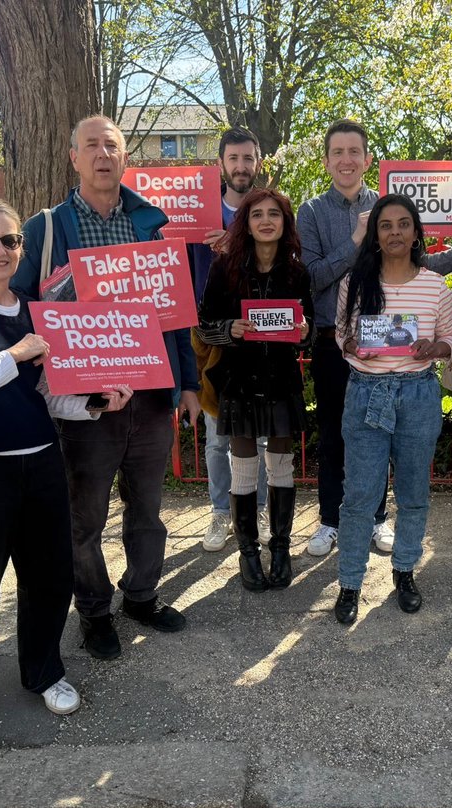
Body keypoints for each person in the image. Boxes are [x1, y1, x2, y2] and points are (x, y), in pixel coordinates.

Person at [0, 196, 131, 751]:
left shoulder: (36, 309)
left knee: (47, 580)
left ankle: (44, 671)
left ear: (22, 247)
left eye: (11, 240)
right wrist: (14, 354)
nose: (0, 250)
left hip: (40, 464)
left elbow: (47, 397)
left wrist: (93, 403)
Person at [11, 114, 200, 661]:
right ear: (73, 157)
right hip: (84, 401)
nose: (101, 154)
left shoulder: (152, 227)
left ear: (123, 158)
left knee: (148, 508)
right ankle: (93, 610)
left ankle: (141, 595)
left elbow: (174, 316)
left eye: (111, 146)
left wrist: (187, 382)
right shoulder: (43, 230)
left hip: (150, 394)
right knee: (84, 514)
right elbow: (19, 310)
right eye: (91, 145)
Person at [297, 119, 452, 559]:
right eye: (338, 152)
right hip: (334, 340)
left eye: (354, 151)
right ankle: (330, 521)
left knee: (384, 439)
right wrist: (356, 240)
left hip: (397, 351)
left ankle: (376, 520)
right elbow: (312, 278)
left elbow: (420, 263)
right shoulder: (312, 212)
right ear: (327, 161)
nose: (346, 160)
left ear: (367, 159)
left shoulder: (386, 206)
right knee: (337, 435)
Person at [332, 194, 452, 624]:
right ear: (375, 234)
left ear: (416, 231)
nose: (395, 233)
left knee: (413, 494)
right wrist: (351, 345)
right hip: (366, 391)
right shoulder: (355, 282)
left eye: (404, 224)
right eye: (386, 225)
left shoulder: (435, 285)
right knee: (360, 497)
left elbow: (451, 339)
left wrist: (433, 347)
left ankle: (404, 572)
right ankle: (350, 581)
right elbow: (342, 335)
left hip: (418, 394)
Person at [196, 187, 313, 590]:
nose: (266, 221)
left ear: (285, 222)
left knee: (281, 464)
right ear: (245, 222)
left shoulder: (297, 271)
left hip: (281, 380)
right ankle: (248, 554)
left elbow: (307, 332)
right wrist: (230, 329)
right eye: (257, 214)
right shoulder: (224, 268)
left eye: (274, 214)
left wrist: (303, 332)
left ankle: (280, 549)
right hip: (238, 379)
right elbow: (204, 325)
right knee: (243, 465)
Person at [192, 126, 268, 552]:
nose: (241, 166)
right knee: (217, 436)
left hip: (259, 332)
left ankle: (253, 506)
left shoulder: (266, 209)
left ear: (258, 162)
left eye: (248, 158)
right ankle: (221, 511)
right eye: (233, 158)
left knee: (256, 434)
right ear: (221, 163)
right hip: (210, 337)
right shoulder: (197, 211)